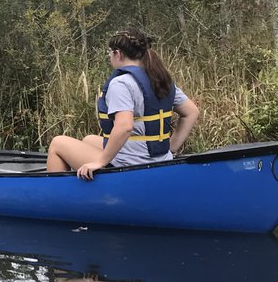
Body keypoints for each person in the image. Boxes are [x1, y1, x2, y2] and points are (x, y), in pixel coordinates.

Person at [47, 27, 199, 180]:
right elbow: (192, 112)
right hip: (159, 159)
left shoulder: (121, 83)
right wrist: (170, 148)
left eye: (109, 53)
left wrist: (100, 162)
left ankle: (55, 197)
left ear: (117, 53)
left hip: (130, 164)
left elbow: (125, 126)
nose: (109, 57)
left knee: (57, 143)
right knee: (89, 140)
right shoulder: (160, 79)